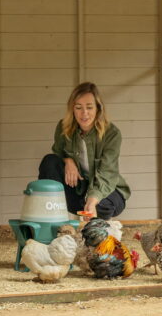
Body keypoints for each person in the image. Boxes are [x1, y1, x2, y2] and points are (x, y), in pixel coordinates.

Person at [38, 82, 131, 220]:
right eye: (78, 107)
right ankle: (56, 218)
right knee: (49, 161)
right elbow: (57, 154)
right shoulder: (63, 127)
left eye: (89, 107)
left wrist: (92, 200)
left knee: (101, 206)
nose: (84, 113)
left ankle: (93, 219)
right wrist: (68, 160)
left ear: (98, 108)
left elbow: (107, 173)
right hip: (78, 188)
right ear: (72, 109)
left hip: (108, 188)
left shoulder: (112, 134)